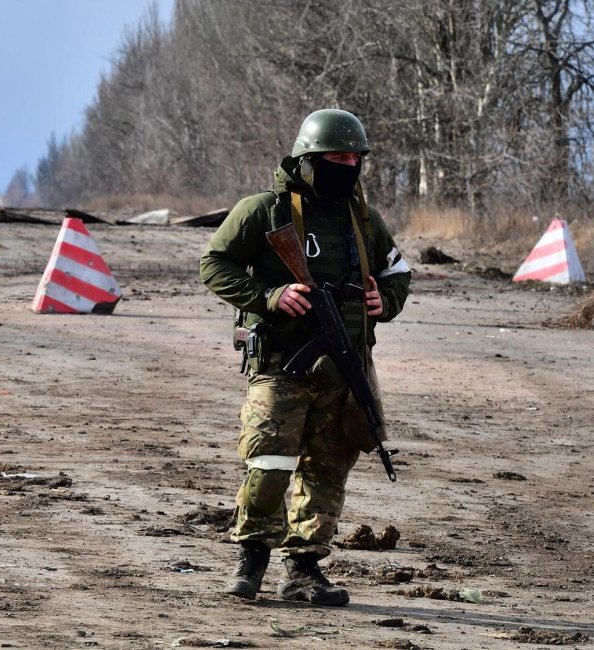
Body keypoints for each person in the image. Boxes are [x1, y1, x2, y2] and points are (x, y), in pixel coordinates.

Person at [199, 109, 411, 606]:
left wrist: (387, 302)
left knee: (328, 467)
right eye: (336, 158)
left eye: (355, 158)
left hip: (345, 365)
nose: (348, 165)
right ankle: (251, 560)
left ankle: (304, 570)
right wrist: (270, 297)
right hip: (281, 361)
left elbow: (398, 273)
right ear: (308, 161)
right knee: (269, 462)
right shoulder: (263, 211)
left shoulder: (364, 220)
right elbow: (214, 264)